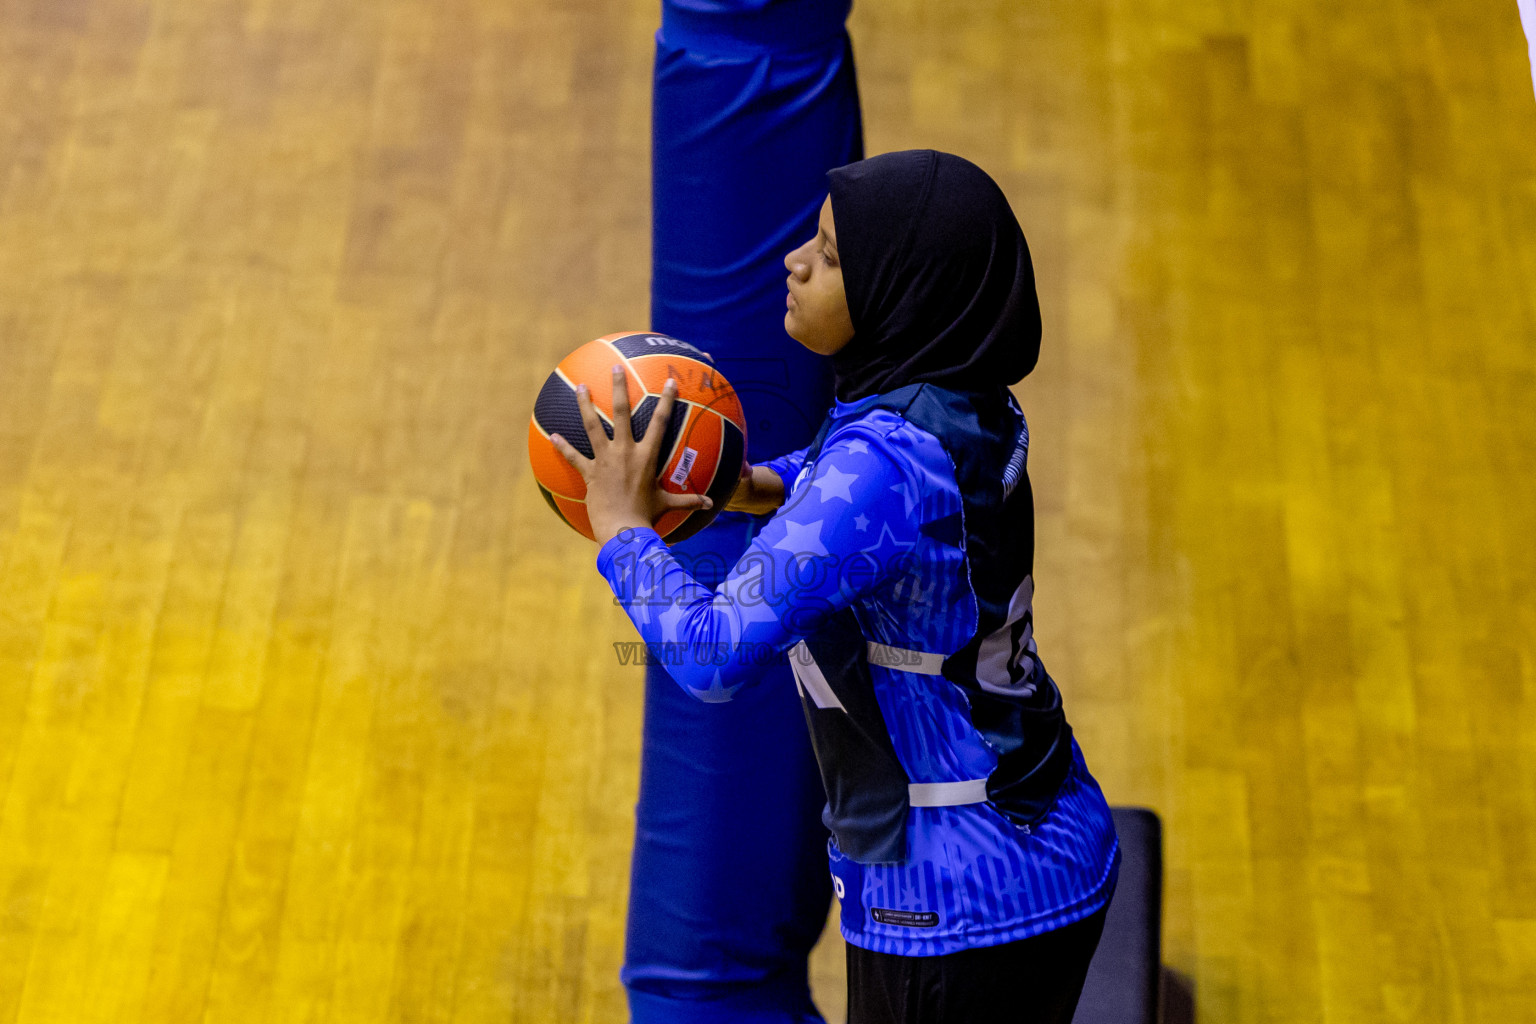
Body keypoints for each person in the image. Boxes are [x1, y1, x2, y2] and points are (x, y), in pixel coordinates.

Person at [550, 149, 1120, 1023]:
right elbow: (854, 496)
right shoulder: (960, 397)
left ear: (901, 290)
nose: (795, 262)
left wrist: (625, 529)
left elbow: (712, 657)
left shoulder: (882, 465)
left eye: (831, 254)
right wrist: (740, 492)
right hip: (1040, 841)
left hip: (958, 900)